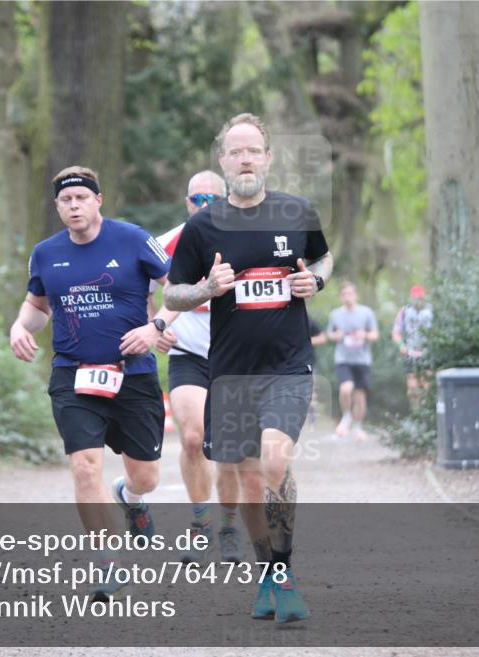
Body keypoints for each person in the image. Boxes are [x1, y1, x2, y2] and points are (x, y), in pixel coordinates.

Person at [164, 113, 334, 625]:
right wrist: (207, 289)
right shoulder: (203, 226)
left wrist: (315, 283)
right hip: (231, 373)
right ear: (223, 161)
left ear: (268, 157)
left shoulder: (296, 212)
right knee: (250, 480)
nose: (244, 159)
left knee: (275, 464)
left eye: (252, 150)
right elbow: (173, 292)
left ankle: (282, 574)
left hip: (287, 365)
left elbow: (323, 260)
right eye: (234, 151)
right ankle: (270, 572)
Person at [9, 165, 175, 602]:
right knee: (84, 465)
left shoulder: (134, 238)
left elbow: (176, 289)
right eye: (65, 200)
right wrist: (19, 327)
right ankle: (106, 564)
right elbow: (38, 306)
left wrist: (155, 326)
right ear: (58, 207)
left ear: (98, 200)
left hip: (133, 374)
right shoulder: (45, 253)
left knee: (147, 477)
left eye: (82, 197)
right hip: (73, 373)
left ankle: (132, 498)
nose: (74, 205)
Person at [151, 170, 244, 564]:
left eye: (212, 200)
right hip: (187, 351)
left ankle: (229, 526)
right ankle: (201, 522)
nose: (203, 207)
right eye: (196, 200)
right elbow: (136, 287)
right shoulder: (165, 242)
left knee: (228, 447)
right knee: (192, 438)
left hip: (234, 353)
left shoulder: (245, 237)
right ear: (187, 202)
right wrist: (154, 327)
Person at [326, 282, 378, 441]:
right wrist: (337, 336)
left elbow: (375, 335)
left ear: (356, 295)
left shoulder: (366, 313)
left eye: (350, 293)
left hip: (362, 360)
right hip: (343, 359)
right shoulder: (335, 314)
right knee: (346, 389)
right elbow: (329, 334)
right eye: (345, 294)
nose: (348, 297)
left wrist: (365, 335)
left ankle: (358, 427)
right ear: (341, 296)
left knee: (360, 397)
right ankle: (346, 416)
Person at [392, 284, 433, 405]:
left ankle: (426, 414)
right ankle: (416, 412)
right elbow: (395, 332)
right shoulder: (404, 311)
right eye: (415, 298)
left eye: (420, 298)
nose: (418, 301)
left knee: (427, 387)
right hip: (410, 352)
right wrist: (401, 346)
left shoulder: (431, 311)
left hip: (427, 353)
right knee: (412, 388)